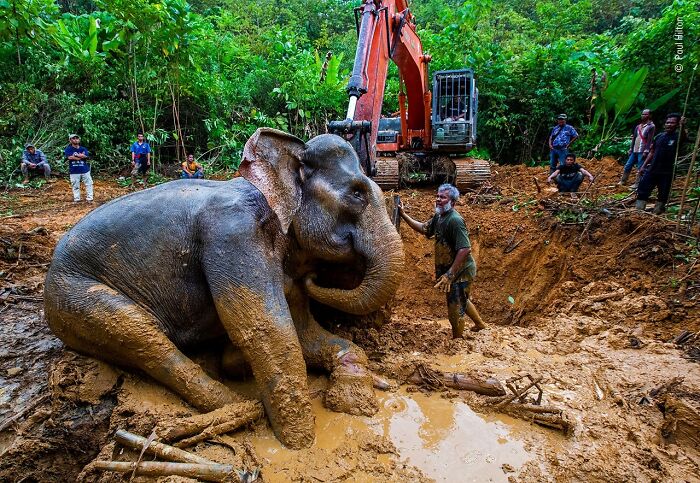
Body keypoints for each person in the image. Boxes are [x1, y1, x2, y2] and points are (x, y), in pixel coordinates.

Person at [398, 184, 486, 338]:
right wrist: (404, 215)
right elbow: (425, 228)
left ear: (452, 202)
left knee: (454, 308)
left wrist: (450, 275)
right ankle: (480, 324)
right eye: (437, 196)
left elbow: (465, 249)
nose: (438, 199)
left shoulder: (455, 221)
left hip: (461, 271)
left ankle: (456, 342)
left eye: (442, 197)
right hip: (454, 270)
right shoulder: (439, 216)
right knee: (461, 298)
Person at [635, 113, 688, 214]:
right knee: (643, 189)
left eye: (672, 123)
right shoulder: (659, 136)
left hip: (667, 172)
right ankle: (638, 212)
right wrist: (643, 166)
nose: (669, 124)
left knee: (663, 194)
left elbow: (684, 137)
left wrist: (683, 125)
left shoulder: (677, 137)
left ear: (677, 125)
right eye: (667, 122)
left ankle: (657, 213)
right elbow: (652, 152)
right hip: (652, 169)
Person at [620, 109, 655, 186]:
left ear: (650, 116)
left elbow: (650, 139)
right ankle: (623, 181)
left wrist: (646, 150)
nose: (643, 116)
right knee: (628, 165)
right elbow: (634, 138)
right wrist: (631, 148)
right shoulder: (638, 127)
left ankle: (638, 184)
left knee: (641, 167)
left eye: (646, 114)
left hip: (642, 150)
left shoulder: (651, 126)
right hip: (635, 150)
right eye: (642, 114)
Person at [64, 134, 93, 203]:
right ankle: (77, 199)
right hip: (74, 171)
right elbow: (69, 157)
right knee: (75, 185)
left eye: (77, 138)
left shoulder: (83, 148)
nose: (75, 139)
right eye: (73, 138)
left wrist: (76, 155)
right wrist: (80, 156)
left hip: (85, 170)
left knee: (89, 184)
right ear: (70, 140)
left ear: (79, 140)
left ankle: (90, 198)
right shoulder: (68, 149)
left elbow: (85, 156)